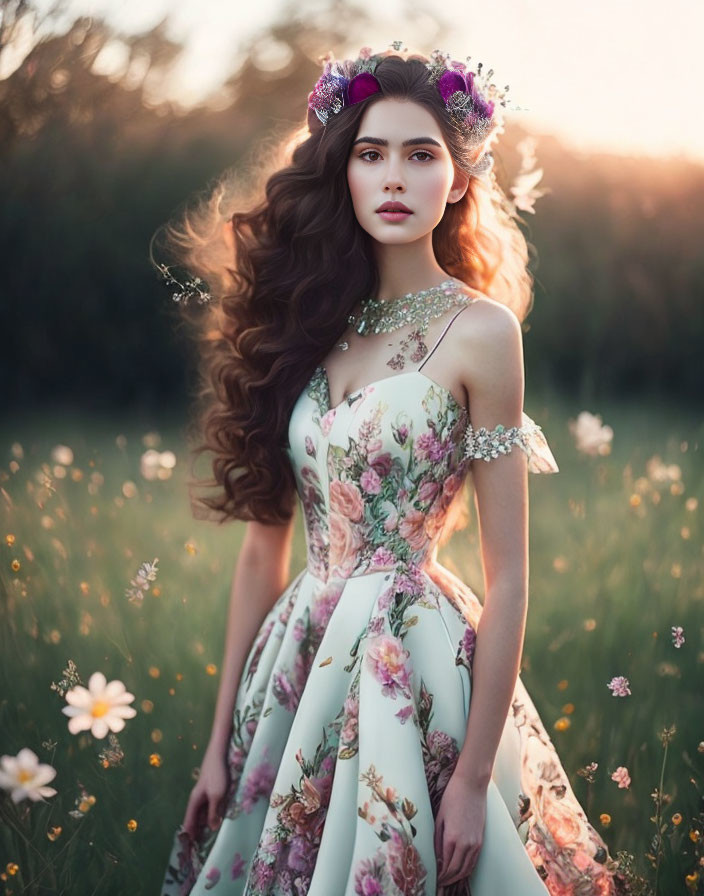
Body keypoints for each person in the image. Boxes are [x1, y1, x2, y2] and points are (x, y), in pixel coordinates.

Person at [156, 43, 624, 896]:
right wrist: (217, 748)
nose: (394, 176)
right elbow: (263, 553)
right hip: (298, 661)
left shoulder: (482, 332)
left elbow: (511, 575)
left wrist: (476, 778)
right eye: (371, 155)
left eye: (421, 154)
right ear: (344, 174)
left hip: (414, 657)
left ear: (460, 176)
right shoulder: (305, 323)